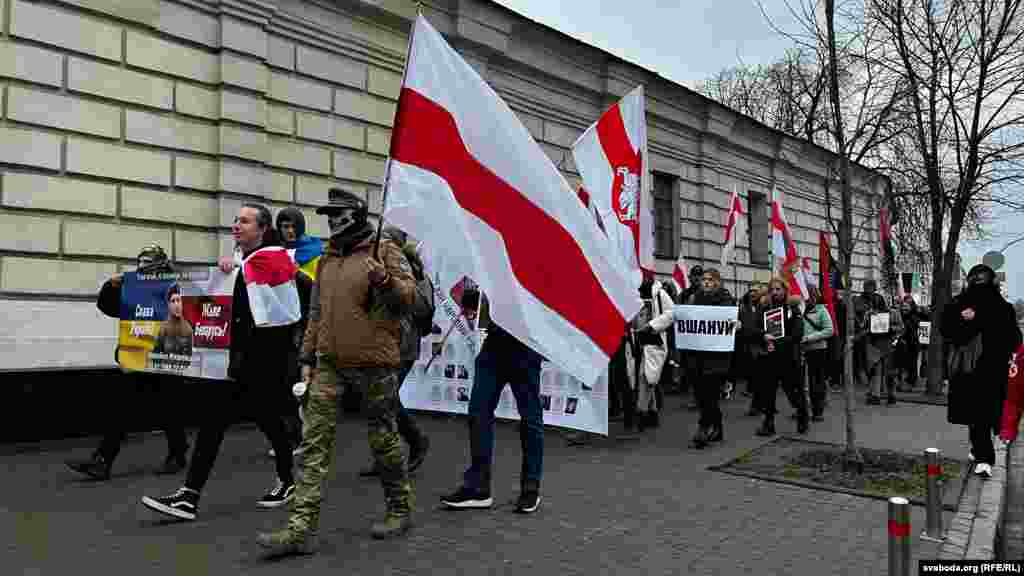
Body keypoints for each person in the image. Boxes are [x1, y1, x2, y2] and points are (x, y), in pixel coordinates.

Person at [257, 187, 417, 555]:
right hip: (329, 362)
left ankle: (399, 506)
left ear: (355, 216)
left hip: (374, 363)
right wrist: (307, 358)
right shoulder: (328, 259)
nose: (331, 221)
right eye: (328, 215)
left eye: (337, 214)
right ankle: (300, 529)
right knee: (313, 444)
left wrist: (384, 281)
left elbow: (410, 299)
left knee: (383, 439)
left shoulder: (384, 251)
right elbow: (316, 313)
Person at [140, 204, 299, 521]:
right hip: (235, 362)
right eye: (235, 220)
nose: (236, 225)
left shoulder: (275, 259)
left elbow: (289, 306)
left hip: (266, 363)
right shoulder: (242, 263)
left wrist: (238, 273)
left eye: (245, 221)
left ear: (263, 229)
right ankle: (189, 496)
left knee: (268, 421)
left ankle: (287, 479)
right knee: (214, 423)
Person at [64, 245, 189, 480]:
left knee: (168, 408)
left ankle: (177, 452)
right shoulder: (135, 288)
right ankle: (103, 460)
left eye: (148, 263)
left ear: (160, 264)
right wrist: (110, 287)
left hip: (165, 354)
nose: (142, 267)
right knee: (122, 408)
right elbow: (110, 308)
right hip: (138, 355)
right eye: (140, 263)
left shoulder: (174, 285)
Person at [440, 316, 545, 514]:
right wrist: (475, 299)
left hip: (526, 345)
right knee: (478, 413)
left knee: (531, 419)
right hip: (494, 345)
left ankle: (531, 487)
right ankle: (478, 487)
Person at [357, 224, 433, 478]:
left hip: (404, 343)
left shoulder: (413, 268)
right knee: (379, 400)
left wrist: (393, 289)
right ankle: (386, 456)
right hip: (382, 341)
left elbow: (422, 307)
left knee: (385, 399)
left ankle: (416, 440)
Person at [941, 264, 1021, 478]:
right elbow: (1015, 340)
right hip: (988, 370)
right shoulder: (1002, 307)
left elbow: (948, 331)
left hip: (974, 370)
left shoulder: (961, 303)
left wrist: (965, 320)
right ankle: (981, 453)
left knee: (977, 415)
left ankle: (984, 456)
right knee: (983, 414)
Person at [644, 269, 735, 448]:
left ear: (718, 282)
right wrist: (653, 326)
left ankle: (703, 428)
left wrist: (735, 324)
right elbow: (678, 314)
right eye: (704, 280)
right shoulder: (693, 298)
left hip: (716, 356)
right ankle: (717, 425)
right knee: (701, 394)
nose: (706, 282)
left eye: (711, 279)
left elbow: (729, 321)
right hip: (696, 355)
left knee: (709, 392)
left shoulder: (726, 299)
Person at [268, 207, 318, 458]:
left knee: (298, 382)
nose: (288, 231)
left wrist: (295, 273)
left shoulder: (314, 252)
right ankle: (291, 436)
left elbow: (317, 291)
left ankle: (301, 437)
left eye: (292, 227)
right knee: (282, 381)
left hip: (305, 323)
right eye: (284, 226)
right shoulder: (273, 252)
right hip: (279, 322)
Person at [754, 278, 807, 437]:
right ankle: (768, 424)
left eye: (778, 289)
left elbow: (797, 334)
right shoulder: (764, 308)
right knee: (768, 393)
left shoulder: (793, 308)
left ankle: (802, 416)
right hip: (769, 358)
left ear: (785, 290)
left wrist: (777, 342)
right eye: (772, 290)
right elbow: (756, 329)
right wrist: (764, 337)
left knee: (793, 392)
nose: (775, 292)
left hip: (789, 358)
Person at [854, 280, 903, 405]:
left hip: (888, 344)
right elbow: (862, 326)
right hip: (873, 344)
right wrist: (867, 319)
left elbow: (901, 328)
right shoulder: (869, 314)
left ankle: (891, 394)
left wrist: (891, 329)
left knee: (889, 372)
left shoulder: (893, 313)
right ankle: (875, 395)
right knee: (875, 370)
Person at [801, 286, 834, 422]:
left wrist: (809, 338)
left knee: (816, 382)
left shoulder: (821, 310)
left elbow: (829, 330)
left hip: (817, 350)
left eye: (810, 296)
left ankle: (817, 410)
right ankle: (802, 409)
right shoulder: (798, 311)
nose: (807, 299)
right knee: (801, 382)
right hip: (800, 351)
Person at [736, 283, 767, 415]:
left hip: (761, 345)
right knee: (754, 378)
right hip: (747, 346)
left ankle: (758, 406)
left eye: (755, 291)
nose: (752, 293)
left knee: (760, 378)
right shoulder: (743, 307)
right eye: (750, 291)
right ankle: (759, 404)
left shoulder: (765, 306)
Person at [896, 294, 924, 391]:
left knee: (911, 364)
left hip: (912, 344)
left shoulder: (914, 317)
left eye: (907, 306)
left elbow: (912, 328)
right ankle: (903, 382)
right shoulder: (900, 316)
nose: (904, 308)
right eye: (903, 306)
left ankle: (910, 382)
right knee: (903, 365)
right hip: (904, 344)